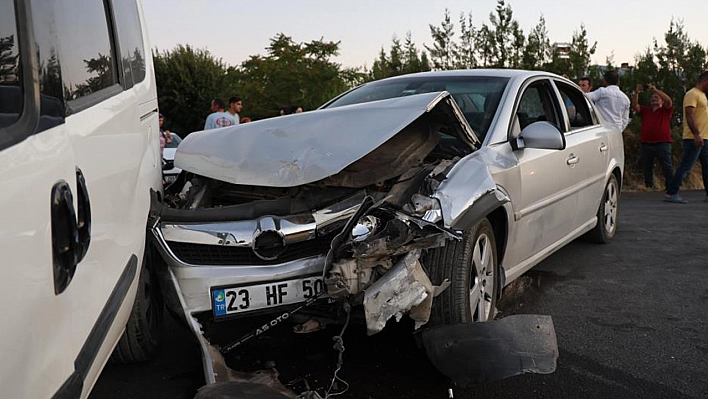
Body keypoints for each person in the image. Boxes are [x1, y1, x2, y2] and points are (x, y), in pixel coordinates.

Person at [664, 71, 708, 203]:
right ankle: (672, 193)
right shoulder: (692, 94)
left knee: (707, 166)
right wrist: (696, 134)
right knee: (686, 165)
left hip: (704, 137)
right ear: (705, 80)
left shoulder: (703, 96)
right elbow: (689, 115)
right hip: (694, 137)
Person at [631, 84, 674, 189]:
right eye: (652, 97)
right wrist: (636, 92)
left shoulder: (665, 111)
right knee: (647, 166)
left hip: (663, 143)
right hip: (646, 143)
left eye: (656, 97)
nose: (654, 98)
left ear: (661, 100)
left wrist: (656, 90)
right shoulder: (646, 111)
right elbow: (635, 105)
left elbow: (669, 101)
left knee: (666, 166)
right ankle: (649, 186)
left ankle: (671, 186)